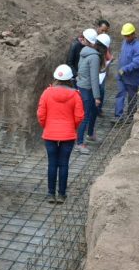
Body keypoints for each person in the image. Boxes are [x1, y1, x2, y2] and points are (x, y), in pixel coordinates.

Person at [37, 65, 84, 204]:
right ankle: (62, 195)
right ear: (70, 79)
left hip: (50, 133)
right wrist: (73, 128)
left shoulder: (46, 93)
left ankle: (51, 194)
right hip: (68, 134)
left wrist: (46, 126)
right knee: (63, 164)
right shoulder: (75, 95)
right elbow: (79, 116)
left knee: (52, 163)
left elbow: (41, 114)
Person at [75, 28, 101, 154]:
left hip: (81, 86)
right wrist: (97, 96)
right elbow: (94, 78)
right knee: (85, 116)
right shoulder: (94, 57)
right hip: (88, 89)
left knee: (87, 113)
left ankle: (90, 134)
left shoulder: (83, 52)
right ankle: (80, 143)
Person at [113, 23, 139, 123]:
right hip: (121, 76)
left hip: (132, 78)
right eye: (124, 36)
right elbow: (122, 56)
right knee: (120, 94)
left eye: (127, 35)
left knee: (132, 97)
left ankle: (130, 117)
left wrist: (125, 69)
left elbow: (137, 63)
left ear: (133, 34)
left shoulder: (138, 46)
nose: (126, 37)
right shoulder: (124, 42)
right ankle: (118, 116)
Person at [95, 20, 111, 115]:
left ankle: (98, 109)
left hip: (102, 69)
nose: (104, 33)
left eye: (106, 31)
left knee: (101, 89)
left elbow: (107, 53)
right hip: (95, 70)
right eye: (102, 30)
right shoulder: (93, 40)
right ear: (98, 27)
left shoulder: (105, 39)